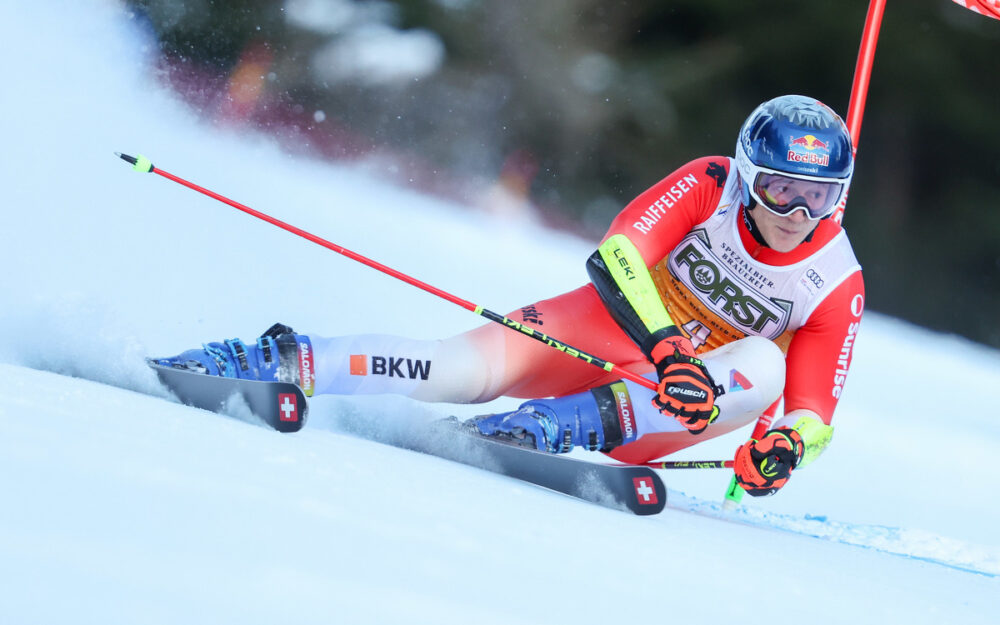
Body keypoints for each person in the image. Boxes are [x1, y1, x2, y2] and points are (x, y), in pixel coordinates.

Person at [155, 95, 864, 497]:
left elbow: (814, 411)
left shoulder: (835, 277)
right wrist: (669, 344)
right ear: (748, 175)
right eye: (780, 189)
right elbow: (619, 255)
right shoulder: (709, 183)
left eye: (817, 197)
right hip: (616, 334)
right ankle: (284, 359)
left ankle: (561, 425)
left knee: (765, 368)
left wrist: (783, 445)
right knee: (453, 369)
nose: (794, 213)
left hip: (665, 407)